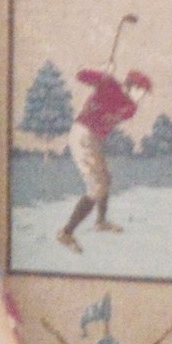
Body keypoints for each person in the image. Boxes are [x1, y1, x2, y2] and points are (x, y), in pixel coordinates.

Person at [62, 62, 154, 251]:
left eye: (144, 93)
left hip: (94, 139)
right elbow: (81, 75)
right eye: (141, 91)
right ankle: (66, 233)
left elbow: (124, 110)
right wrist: (102, 75)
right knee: (97, 187)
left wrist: (105, 83)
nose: (142, 96)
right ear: (131, 85)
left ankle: (100, 222)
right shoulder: (109, 85)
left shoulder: (131, 107)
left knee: (106, 179)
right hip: (82, 134)